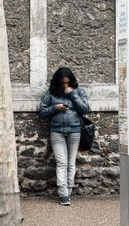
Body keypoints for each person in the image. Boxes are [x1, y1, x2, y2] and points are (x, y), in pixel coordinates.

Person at [38, 66, 90, 206]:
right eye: (62, 83)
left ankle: (69, 190)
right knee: (61, 163)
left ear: (71, 81)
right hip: (57, 131)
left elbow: (85, 109)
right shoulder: (51, 93)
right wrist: (55, 108)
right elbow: (42, 112)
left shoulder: (79, 91)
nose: (65, 86)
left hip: (74, 131)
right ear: (58, 82)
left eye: (68, 83)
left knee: (71, 162)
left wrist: (72, 94)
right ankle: (63, 194)